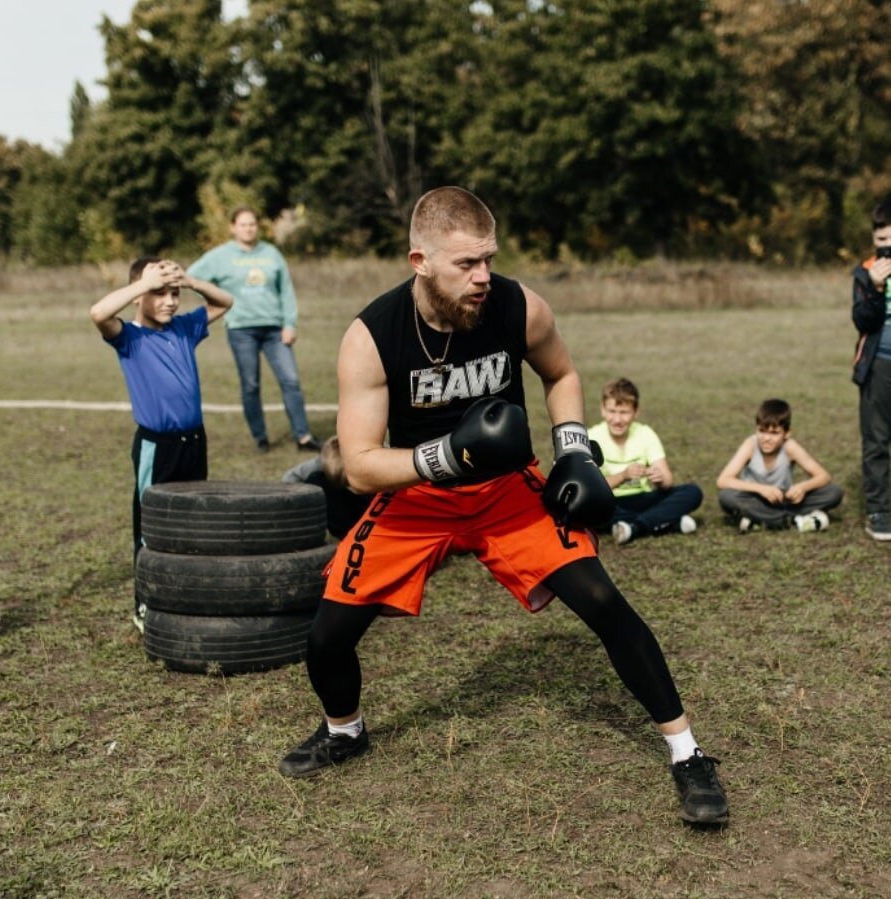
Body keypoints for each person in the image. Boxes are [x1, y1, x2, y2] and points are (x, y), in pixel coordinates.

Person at [277, 186, 729, 826]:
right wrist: (450, 455)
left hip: (506, 492)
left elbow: (561, 374)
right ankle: (345, 731)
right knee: (326, 638)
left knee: (603, 602)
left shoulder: (518, 306)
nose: (483, 276)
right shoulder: (371, 337)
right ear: (420, 261)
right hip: (417, 496)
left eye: (488, 258)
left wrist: (574, 451)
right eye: (466, 264)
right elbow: (358, 465)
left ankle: (687, 753)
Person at [89, 257, 233, 629]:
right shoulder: (128, 336)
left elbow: (225, 302)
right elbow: (98, 312)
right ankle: (145, 603)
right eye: (159, 293)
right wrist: (144, 282)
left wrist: (190, 280)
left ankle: (185, 595)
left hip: (194, 443)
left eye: (174, 294)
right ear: (139, 296)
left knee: (192, 523)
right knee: (151, 529)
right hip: (158, 447)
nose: (169, 301)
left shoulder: (185, 327)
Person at [187, 206, 322, 454]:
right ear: (233, 227)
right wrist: (215, 298)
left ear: (257, 227)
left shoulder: (271, 254)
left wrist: (289, 324)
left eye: (252, 224)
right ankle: (260, 438)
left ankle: (303, 437)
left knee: (291, 381)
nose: (248, 228)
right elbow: (192, 277)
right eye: (243, 224)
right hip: (241, 330)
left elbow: (286, 291)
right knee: (250, 385)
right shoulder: (220, 256)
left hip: (275, 330)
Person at [587, 377, 703, 545]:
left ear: (636, 412)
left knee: (692, 492)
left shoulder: (645, 433)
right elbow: (590, 490)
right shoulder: (591, 437)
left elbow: (668, 482)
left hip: (643, 498)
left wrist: (660, 478)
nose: (617, 420)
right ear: (602, 410)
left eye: (624, 412)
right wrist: (623, 476)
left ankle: (635, 527)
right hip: (610, 502)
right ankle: (667, 522)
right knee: (589, 508)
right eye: (612, 411)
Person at [717, 398, 843, 533]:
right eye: (762, 431)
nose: (766, 438)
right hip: (755, 498)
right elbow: (723, 480)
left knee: (834, 492)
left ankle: (762, 520)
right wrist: (761, 489)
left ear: (787, 433)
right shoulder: (750, 445)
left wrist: (802, 488)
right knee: (726, 496)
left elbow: (824, 476)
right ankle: (791, 520)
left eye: (774, 433)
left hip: (783, 499)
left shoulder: (790, 447)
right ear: (756, 429)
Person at [851, 196, 891, 541]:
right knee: (876, 440)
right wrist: (877, 289)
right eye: (881, 243)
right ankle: (879, 510)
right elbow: (861, 319)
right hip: (879, 365)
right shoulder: (865, 273)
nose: (887, 250)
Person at [283, 435, 371, 540]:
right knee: (314, 480)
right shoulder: (324, 461)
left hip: (374, 507)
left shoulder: (372, 457)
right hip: (348, 515)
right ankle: (346, 532)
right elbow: (289, 478)